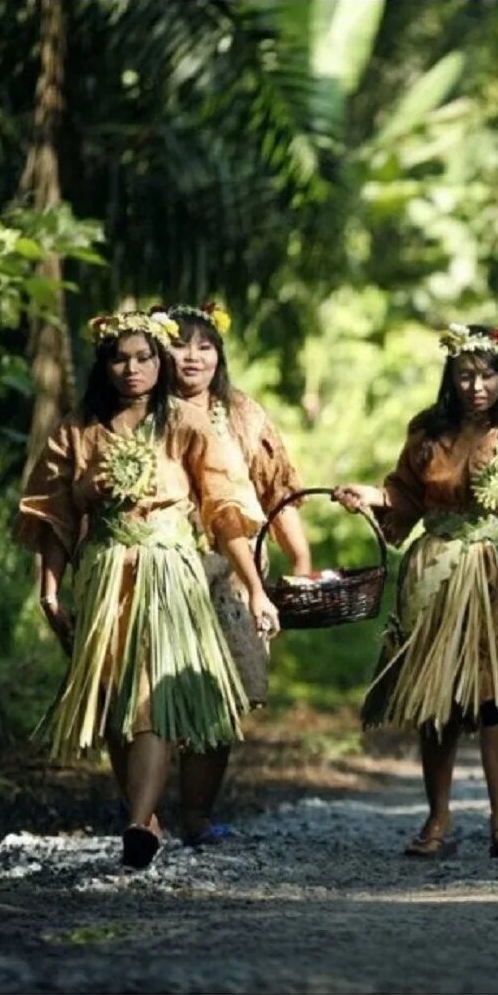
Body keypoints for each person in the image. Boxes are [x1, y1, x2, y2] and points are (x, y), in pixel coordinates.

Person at [17, 310, 278, 869]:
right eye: (120, 358)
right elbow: (53, 518)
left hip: (172, 575)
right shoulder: (76, 429)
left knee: (155, 694)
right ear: (103, 365)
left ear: (159, 364)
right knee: (115, 698)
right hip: (107, 574)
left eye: (143, 357)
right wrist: (50, 591)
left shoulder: (187, 422)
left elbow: (225, 510)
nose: (132, 369)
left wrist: (256, 589)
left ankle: (138, 823)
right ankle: (146, 813)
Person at [333, 323, 498, 860]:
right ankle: (438, 819)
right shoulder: (427, 432)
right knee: (439, 701)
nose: (478, 386)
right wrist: (371, 498)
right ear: (449, 377)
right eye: (466, 374)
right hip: (436, 572)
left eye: (488, 374)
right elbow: (403, 496)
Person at [166, 301, 313, 846]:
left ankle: (197, 816)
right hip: (163, 563)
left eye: (205, 345)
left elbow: (279, 492)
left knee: (218, 693)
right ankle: (145, 813)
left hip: (233, 573)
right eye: (181, 344)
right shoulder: (143, 412)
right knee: (148, 691)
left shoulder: (243, 413)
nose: (193, 356)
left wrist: (299, 561)